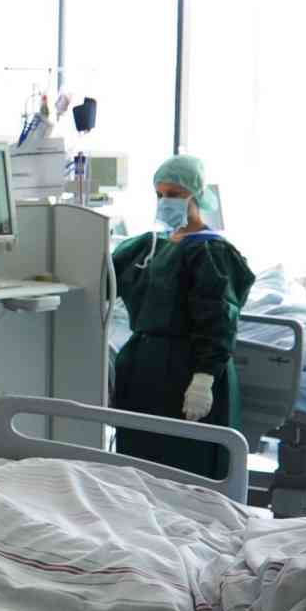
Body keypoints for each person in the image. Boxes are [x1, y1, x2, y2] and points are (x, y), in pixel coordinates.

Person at [110, 155, 255, 478]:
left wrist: (204, 379)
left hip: (188, 372)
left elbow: (219, 318)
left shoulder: (211, 252)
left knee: (188, 468)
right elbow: (102, 277)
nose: (165, 201)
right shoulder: (147, 247)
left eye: (174, 194)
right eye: (159, 194)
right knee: (140, 465)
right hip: (145, 371)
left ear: (197, 196)